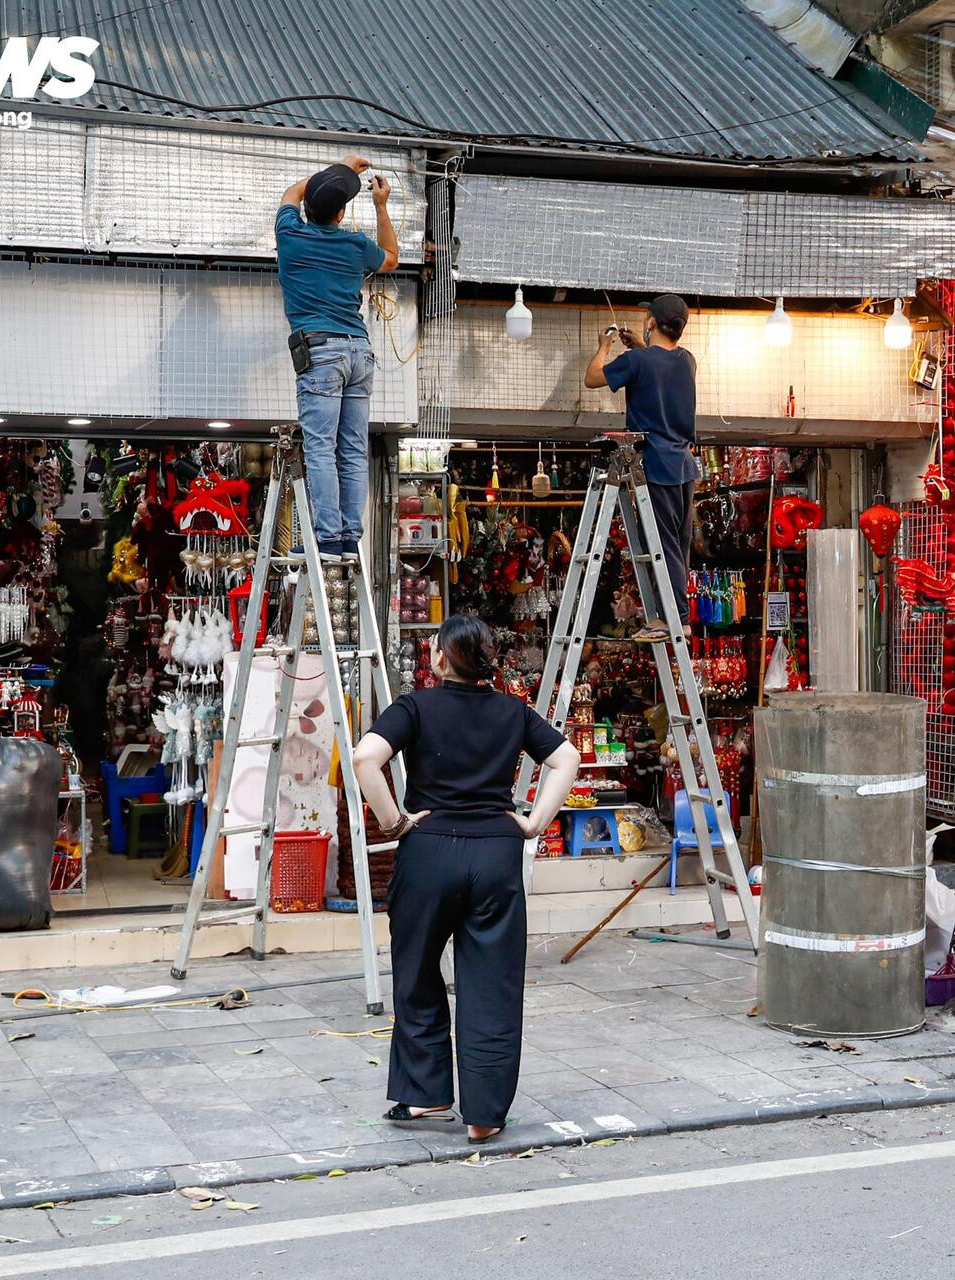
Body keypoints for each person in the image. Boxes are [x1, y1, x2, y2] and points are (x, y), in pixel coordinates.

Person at [352, 615, 580, 1144]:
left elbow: (365, 758)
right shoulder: (512, 711)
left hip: (429, 851)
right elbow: (566, 759)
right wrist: (534, 823)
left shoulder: (415, 707)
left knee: (417, 973)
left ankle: (426, 1095)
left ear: (438, 658)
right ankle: (484, 1114)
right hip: (496, 853)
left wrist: (394, 822)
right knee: (492, 984)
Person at [276, 156, 399, 561]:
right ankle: (348, 537)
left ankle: (327, 539)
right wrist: (380, 205)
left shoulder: (290, 235)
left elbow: (291, 192)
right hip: (360, 350)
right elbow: (391, 257)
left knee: (320, 448)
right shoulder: (355, 244)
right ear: (342, 213)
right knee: (352, 449)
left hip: (321, 352)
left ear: (307, 209)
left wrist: (340, 170)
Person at [583, 296, 700, 643]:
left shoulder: (637, 361)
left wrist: (604, 346)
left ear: (650, 322)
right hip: (683, 463)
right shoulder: (687, 361)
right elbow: (658, 366)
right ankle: (675, 616)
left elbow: (592, 378)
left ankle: (674, 620)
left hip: (657, 463)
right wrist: (639, 346)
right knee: (679, 544)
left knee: (664, 545)